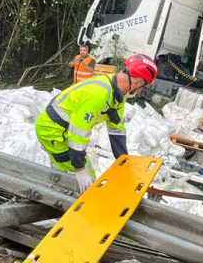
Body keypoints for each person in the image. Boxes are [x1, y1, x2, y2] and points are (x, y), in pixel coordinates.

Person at [36, 54, 157, 193]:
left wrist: (124, 163)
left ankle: (57, 188)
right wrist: (80, 169)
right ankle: (67, 201)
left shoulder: (117, 94)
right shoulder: (98, 95)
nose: (140, 91)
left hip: (61, 128)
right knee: (86, 178)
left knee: (66, 169)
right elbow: (78, 133)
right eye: (142, 88)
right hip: (53, 131)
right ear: (136, 83)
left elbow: (116, 128)